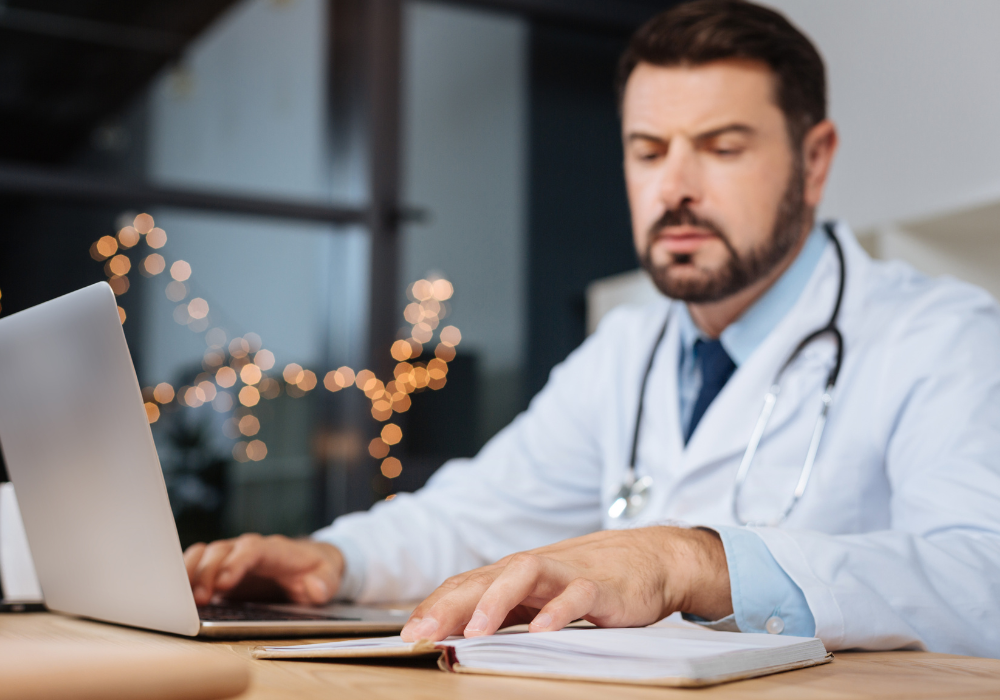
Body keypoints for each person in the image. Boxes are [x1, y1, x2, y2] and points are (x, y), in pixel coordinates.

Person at [183, 0, 1000, 656]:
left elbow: (983, 582)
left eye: (720, 147)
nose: (675, 187)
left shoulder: (940, 337)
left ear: (814, 159)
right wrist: (334, 561)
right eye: (648, 152)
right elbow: (479, 512)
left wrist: (690, 560)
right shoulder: (629, 349)